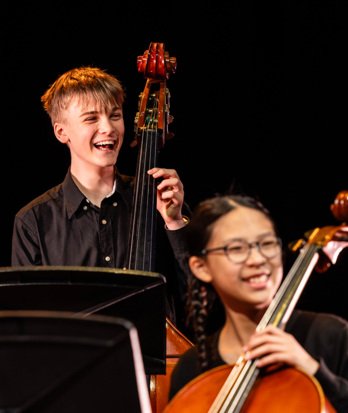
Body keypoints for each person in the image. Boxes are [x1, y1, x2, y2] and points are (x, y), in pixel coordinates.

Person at [11, 66, 190, 328]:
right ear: (62, 132)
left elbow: (201, 301)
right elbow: (26, 326)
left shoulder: (160, 200)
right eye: (91, 119)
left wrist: (176, 224)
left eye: (115, 115)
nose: (108, 127)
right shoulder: (34, 221)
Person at [167, 194, 348, 412]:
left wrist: (314, 371)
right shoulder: (190, 369)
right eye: (236, 249)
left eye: (267, 243)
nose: (258, 259)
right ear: (201, 267)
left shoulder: (331, 336)